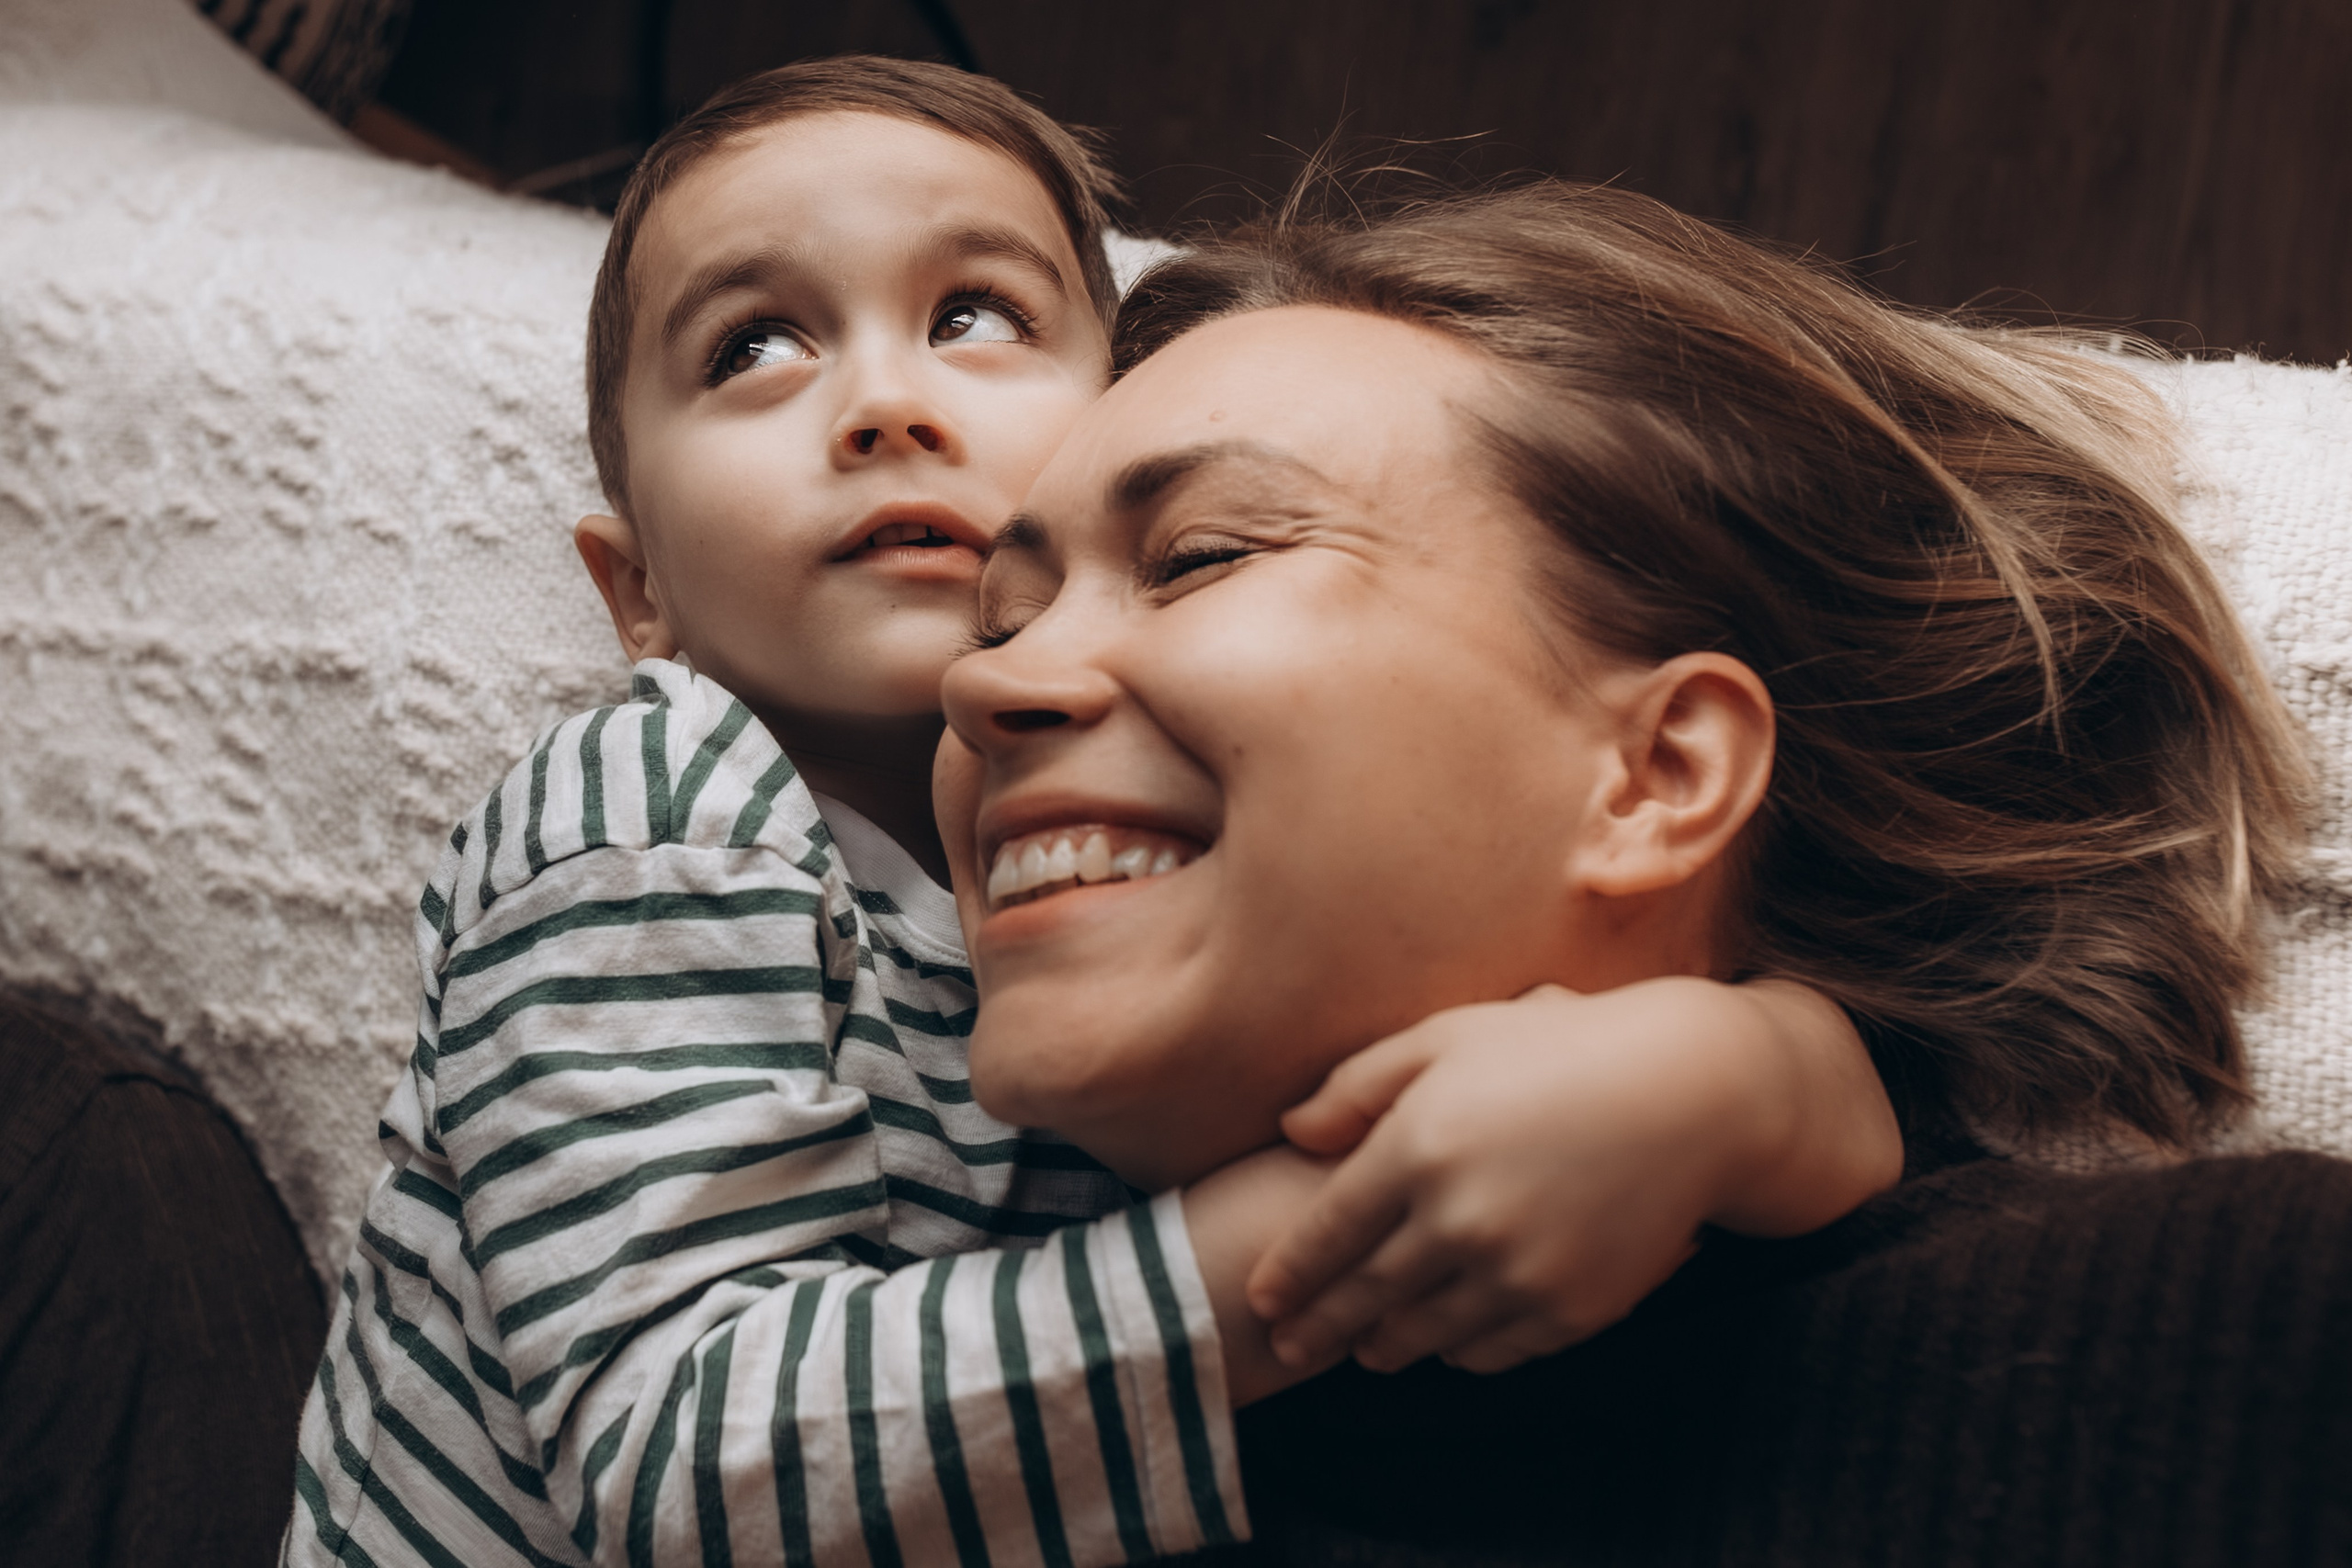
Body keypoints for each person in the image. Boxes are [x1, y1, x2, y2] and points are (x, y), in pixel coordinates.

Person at [287, 60, 1904, 1568]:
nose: (883, 407)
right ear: (637, 591)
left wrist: (1747, 1074)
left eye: (976, 313)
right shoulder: (648, 809)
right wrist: (1320, 1238)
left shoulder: (1132, 874)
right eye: (752, 349)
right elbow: (681, 1457)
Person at [931, 182, 2348, 1564]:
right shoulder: (851, 1413)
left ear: (1659, 775)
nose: (987, 686)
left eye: (1199, 557)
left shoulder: (2240, 1345)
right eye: (1001, 617)